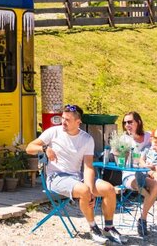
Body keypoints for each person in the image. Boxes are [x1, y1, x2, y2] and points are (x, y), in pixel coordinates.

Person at [27, 104, 124, 244]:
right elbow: (29, 148)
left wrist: (91, 190)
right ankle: (93, 228)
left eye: (67, 120)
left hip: (77, 177)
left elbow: (88, 167)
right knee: (84, 190)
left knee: (109, 189)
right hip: (56, 178)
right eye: (62, 118)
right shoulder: (53, 132)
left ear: (78, 122)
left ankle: (109, 227)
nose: (63, 122)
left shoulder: (86, 139)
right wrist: (44, 148)